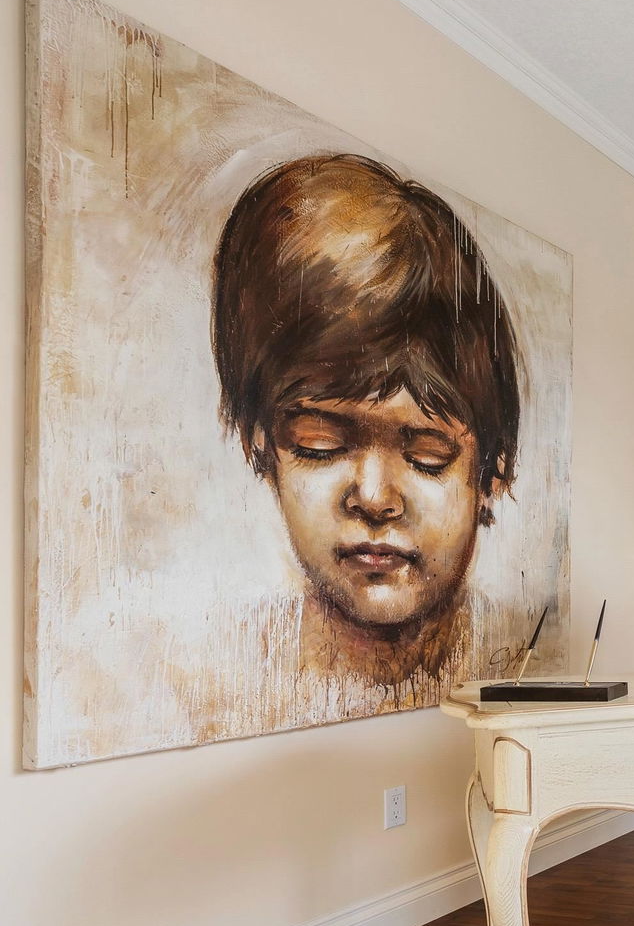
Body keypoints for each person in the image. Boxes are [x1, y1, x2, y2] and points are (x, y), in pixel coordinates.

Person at [211, 153, 522, 688]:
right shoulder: (211, 678)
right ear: (259, 445)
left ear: (493, 471)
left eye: (427, 453)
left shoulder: (525, 650)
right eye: (319, 442)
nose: (375, 499)